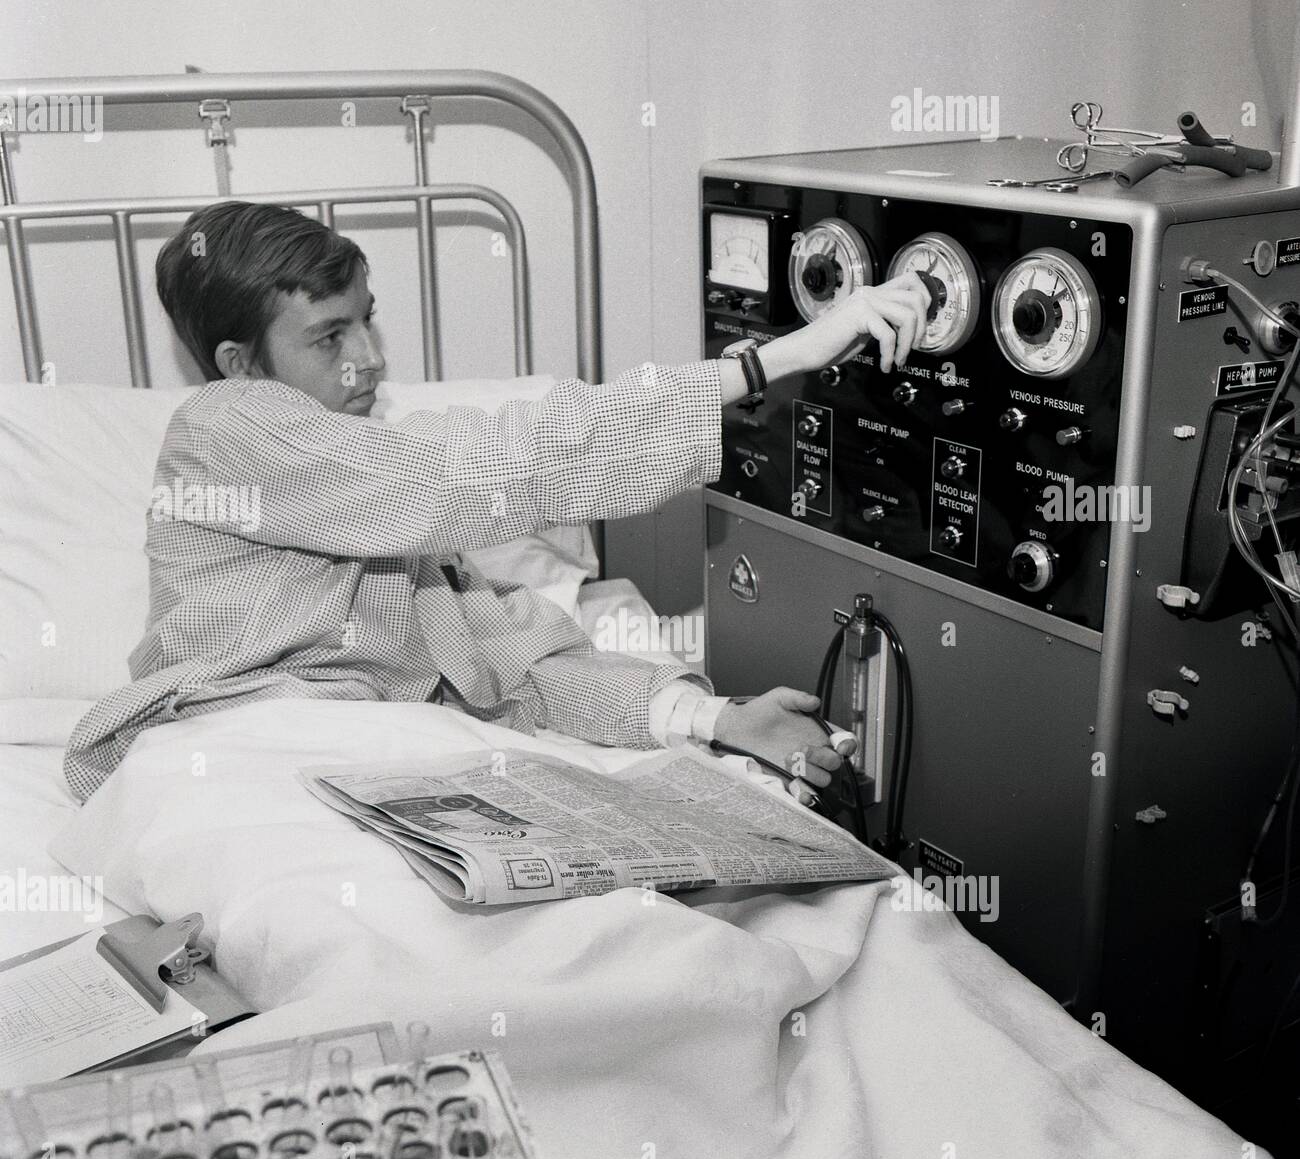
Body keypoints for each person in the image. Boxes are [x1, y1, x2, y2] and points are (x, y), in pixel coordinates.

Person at [63, 202, 929, 805]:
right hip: (233, 757)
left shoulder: (391, 510)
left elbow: (518, 669)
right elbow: (475, 471)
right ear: (239, 364)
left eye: (368, 319)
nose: (367, 359)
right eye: (329, 336)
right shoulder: (222, 429)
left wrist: (719, 718)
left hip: (371, 770)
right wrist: (767, 361)